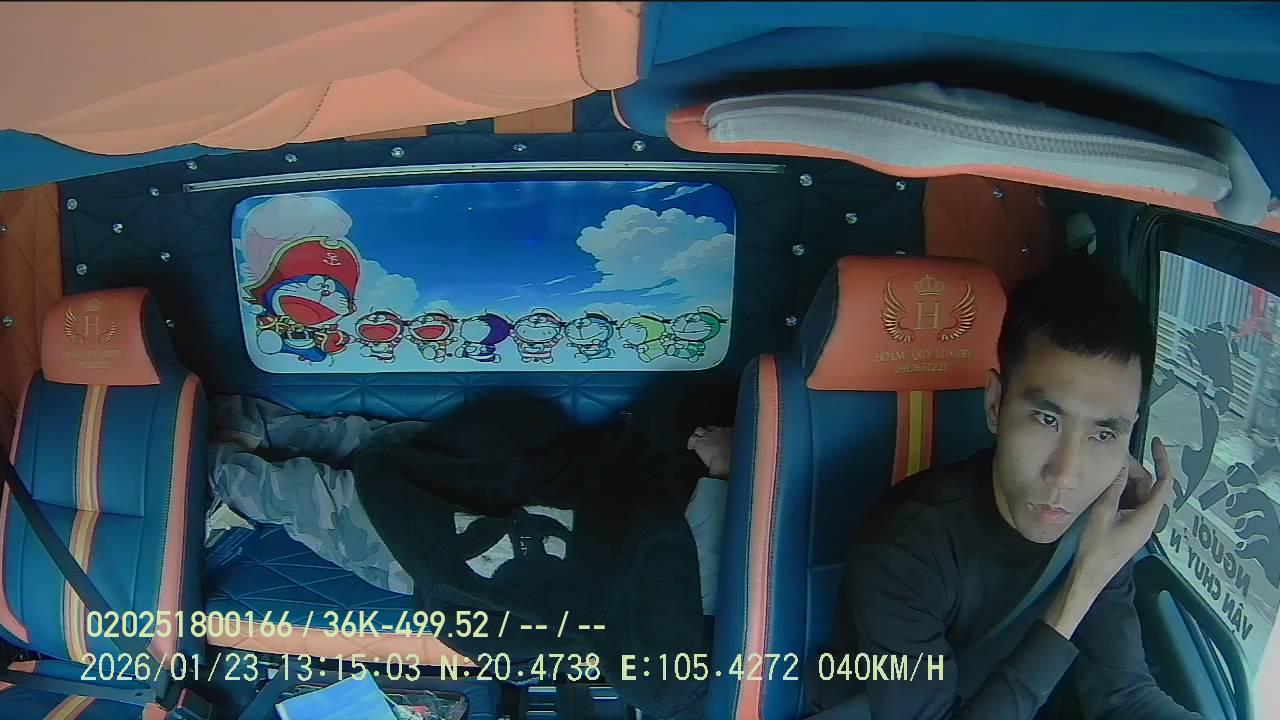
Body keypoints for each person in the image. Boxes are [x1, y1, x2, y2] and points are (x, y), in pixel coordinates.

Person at [808, 256, 1200, 719]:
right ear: (995, 404)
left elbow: (1125, 695)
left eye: (1103, 434)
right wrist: (1082, 586)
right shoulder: (903, 548)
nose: (1065, 475)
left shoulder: (1096, 524)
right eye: (1047, 419)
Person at [207, 397, 733, 613]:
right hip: (544, 492)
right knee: (385, 447)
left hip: (461, 553)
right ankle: (230, 430)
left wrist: (723, 470)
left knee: (316, 494)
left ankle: (200, 459)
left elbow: (689, 582)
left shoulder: (716, 574)